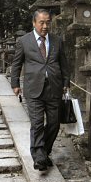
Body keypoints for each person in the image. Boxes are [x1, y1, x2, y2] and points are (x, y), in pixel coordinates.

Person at [11, 9, 70, 171]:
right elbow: (16, 64)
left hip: (54, 88)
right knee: (37, 124)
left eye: (48, 22)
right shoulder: (24, 41)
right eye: (41, 22)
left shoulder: (57, 40)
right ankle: (38, 157)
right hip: (33, 88)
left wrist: (66, 82)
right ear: (34, 23)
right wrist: (15, 83)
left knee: (54, 123)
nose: (45, 26)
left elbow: (63, 63)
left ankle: (44, 152)